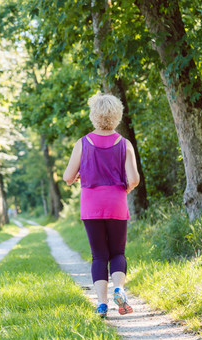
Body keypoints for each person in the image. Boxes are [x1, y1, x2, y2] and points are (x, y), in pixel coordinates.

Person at [62, 93, 140, 318]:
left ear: (93, 115)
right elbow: (134, 179)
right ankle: (119, 289)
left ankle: (102, 304)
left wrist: (77, 177)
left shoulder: (82, 143)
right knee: (117, 252)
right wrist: (125, 188)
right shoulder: (124, 144)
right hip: (116, 203)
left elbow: (68, 176)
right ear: (117, 115)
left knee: (98, 256)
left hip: (91, 205)